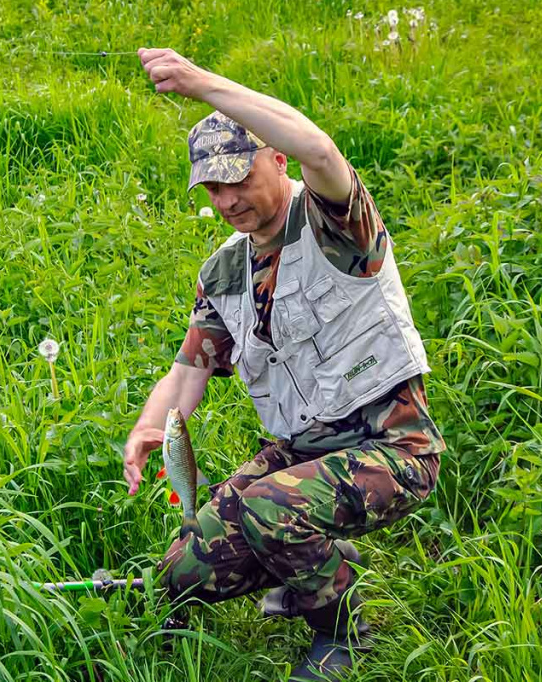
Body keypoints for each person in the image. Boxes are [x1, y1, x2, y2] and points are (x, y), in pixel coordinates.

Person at [123, 47, 446, 681]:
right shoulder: (222, 271)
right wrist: (149, 427)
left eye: (239, 177)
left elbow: (321, 151)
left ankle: (343, 632)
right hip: (302, 454)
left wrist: (197, 83)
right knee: (185, 570)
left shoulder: (334, 221)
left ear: (275, 157)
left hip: (392, 449)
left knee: (272, 508)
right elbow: (187, 371)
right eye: (213, 187)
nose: (228, 198)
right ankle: (313, 550)